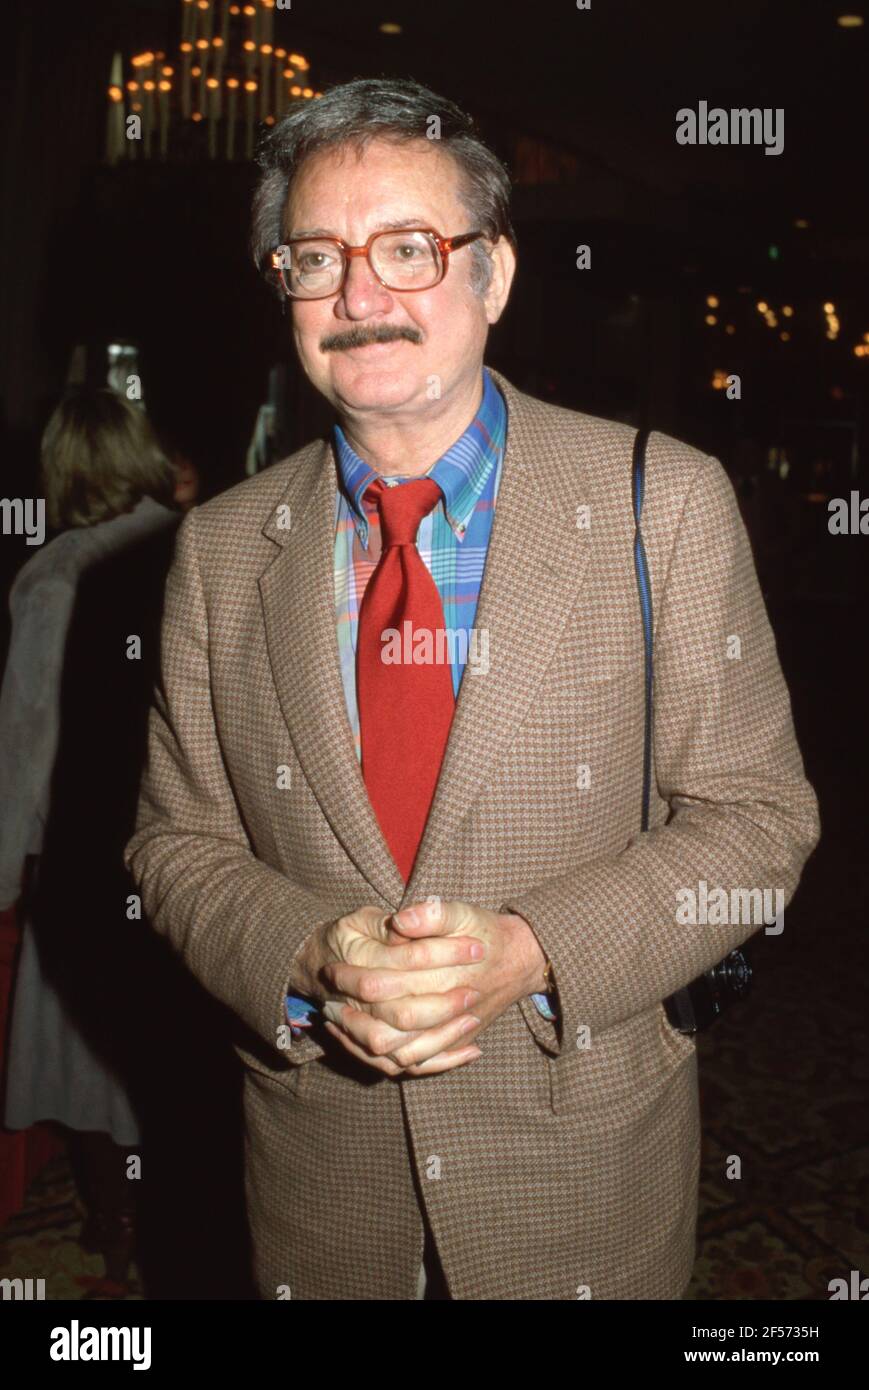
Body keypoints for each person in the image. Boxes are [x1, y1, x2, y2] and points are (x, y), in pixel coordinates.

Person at [124, 78, 820, 1301]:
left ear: (491, 276)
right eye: (316, 258)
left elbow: (760, 821)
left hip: (579, 1173)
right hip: (316, 1185)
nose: (360, 298)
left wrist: (533, 949)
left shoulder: (664, 503)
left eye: (409, 248)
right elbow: (175, 843)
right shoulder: (221, 549)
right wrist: (308, 954)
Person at [0, 388, 181, 1282]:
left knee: (88, 1064)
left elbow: (25, 747)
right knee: (166, 1063)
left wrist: (2, 874)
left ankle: (118, 1236)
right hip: (193, 852)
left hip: (89, 852)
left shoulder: (58, 576)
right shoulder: (200, 541)